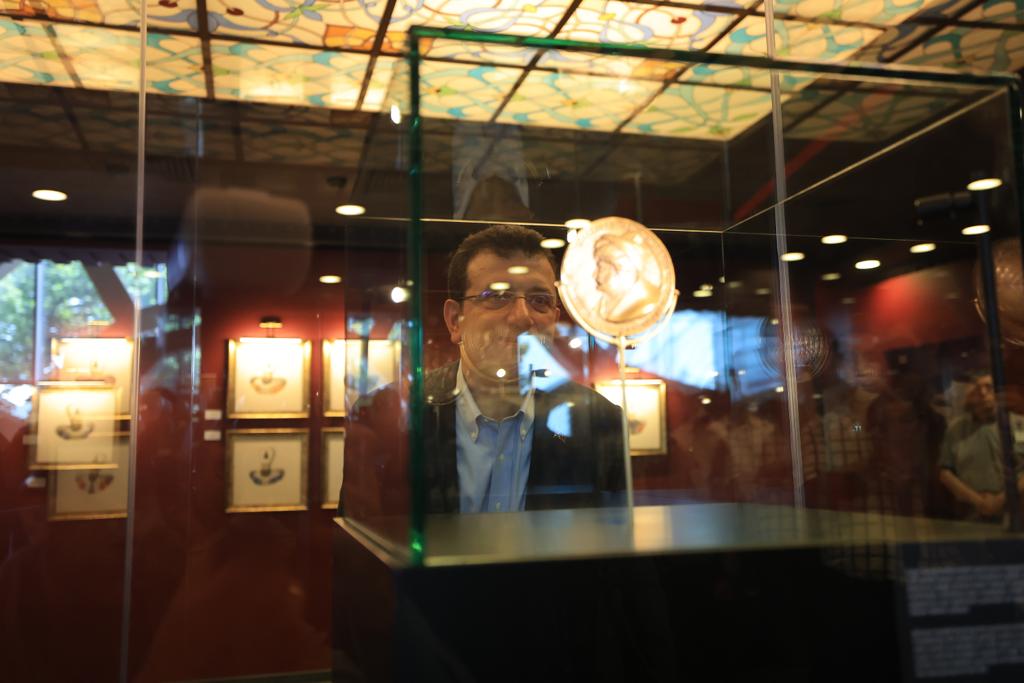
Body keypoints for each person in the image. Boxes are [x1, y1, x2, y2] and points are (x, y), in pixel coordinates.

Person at [341, 224, 625, 519]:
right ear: (455, 321)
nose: (522, 317)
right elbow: (360, 539)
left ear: (553, 321)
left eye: (539, 301)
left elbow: (612, 543)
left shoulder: (599, 423)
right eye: (497, 296)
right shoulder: (388, 415)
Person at [938, 374, 1024, 521]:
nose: (983, 394)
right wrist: (977, 501)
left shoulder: (1019, 425)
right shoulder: (956, 430)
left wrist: (1001, 499)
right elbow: (945, 472)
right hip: (970, 513)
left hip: (1015, 511)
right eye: (977, 389)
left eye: (988, 387)